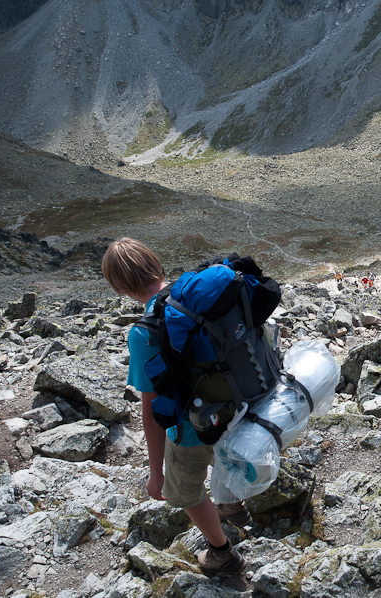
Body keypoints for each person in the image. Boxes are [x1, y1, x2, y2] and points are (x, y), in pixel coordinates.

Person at [101, 238, 248, 574]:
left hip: (194, 427)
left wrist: (157, 474)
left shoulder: (144, 332)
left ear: (120, 286)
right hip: (238, 405)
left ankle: (222, 553)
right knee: (225, 456)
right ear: (156, 264)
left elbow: (151, 411)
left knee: (184, 491)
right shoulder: (196, 294)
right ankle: (234, 507)